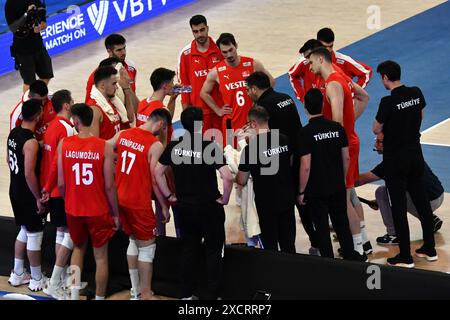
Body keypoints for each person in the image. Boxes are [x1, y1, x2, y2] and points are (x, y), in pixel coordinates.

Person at [155, 107, 233, 300]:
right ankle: (214, 295)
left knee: (189, 249)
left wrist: (169, 195)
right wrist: (224, 198)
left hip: (185, 207)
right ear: (201, 124)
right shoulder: (210, 146)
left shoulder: (174, 146)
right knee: (214, 251)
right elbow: (227, 177)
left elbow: (157, 173)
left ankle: (186, 294)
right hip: (209, 207)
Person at [245, 71, 319, 254]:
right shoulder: (285, 97)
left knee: (281, 207)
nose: (247, 93)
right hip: (300, 153)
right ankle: (316, 241)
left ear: (254, 89)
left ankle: (277, 250)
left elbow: (267, 136)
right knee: (304, 205)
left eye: (248, 90)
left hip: (282, 161)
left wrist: (250, 141)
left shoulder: (263, 106)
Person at [373, 60, 437, 267]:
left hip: (395, 160)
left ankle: (405, 256)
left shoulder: (387, 102)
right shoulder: (415, 92)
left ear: (384, 77)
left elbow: (376, 128)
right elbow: (420, 115)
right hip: (415, 154)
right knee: (422, 202)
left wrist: (389, 131)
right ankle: (430, 248)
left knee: (398, 207)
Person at [308, 47, 370, 255]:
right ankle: (361, 243)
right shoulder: (339, 76)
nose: (309, 66)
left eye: (310, 62)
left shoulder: (333, 83)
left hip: (342, 147)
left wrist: (330, 149)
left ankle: (358, 249)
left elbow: (337, 122)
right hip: (349, 141)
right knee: (348, 196)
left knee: (343, 200)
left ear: (319, 59)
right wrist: (351, 125)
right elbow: (364, 97)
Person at [57, 103, 120, 300]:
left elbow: (60, 183)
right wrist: (116, 213)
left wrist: (69, 199)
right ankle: (100, 298)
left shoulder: (64, 144)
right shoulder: (104, 146)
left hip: (74, 208)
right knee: (101, 257)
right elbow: (110, 186)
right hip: (98, 209)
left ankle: (74, 294)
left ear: (75, 121)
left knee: (77, 249)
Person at [108, 108, 172, 300]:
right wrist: (163, 205)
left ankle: (136, 290)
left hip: (120, 199)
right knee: (147, 248)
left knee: (133, 241)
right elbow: (155, 179)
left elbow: (103, 148)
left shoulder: (123, 134)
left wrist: (113, 168)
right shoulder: (155, 145)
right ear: (161, 124)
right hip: (138, 202)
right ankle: (145, 294)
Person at [297, 89, 366, 261]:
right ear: (322, 104)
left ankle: (328, 263)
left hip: (316, 189)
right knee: (341, 223)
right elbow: (346, 157)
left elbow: (305, 166)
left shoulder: (305, 133)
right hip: (336, 185)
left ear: (305, 107)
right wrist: (342, 178)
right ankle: (350, 257)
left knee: (321, 227)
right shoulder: (337, 128)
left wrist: (301, 190)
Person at [236, 106, 296, 253]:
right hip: (287, 198)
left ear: (253, 123)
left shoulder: (251, 149)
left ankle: (274, 273)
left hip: (267, 202)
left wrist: (234, 175)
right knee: (289, 243)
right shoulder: (284, 139)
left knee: (270, 245)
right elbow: (290, 164)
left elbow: (242, 180)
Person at [200, 32, 275, 146]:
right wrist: (218, 110)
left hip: (254, 120)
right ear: (220, 51)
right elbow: (204, 93)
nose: (229, 54)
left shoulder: (252, 64)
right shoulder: (216, 72)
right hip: (231, 123)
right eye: (224, 52)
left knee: (260, 153)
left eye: (231, 50)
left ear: (236, 46)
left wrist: (260, 102)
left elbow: (271, 82)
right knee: (234, 157)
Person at [356, 157, 444, 245]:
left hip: (429, 201)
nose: (375, 145)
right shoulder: (410, 153)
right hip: (438, 195)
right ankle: (430, 219)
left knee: (382, 193)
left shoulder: (391, 162)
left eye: (379, 142)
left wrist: (345, 183)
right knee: (392, 192)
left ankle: (394, 234)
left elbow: (361, 180)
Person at [7, 99, 47, 292]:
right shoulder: (30, 142)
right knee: (35, 235)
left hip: (14, 190)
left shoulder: (14, 133)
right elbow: (29, 173)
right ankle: (37, 278)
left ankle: (17, 273)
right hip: (27, 194)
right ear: (39, 115)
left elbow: (9, 159)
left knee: (24, 230)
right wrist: (38, 198)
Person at [40, 90, 76, 299]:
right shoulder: (66, 129)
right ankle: (55, 283)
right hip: (64, 190)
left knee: (62, 233)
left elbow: (49, 162)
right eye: (71, 101)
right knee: (71, 235)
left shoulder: (52, 127)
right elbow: (60, 163)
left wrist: (46, 187)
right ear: (66, 106)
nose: (73, 103)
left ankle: (62, 280)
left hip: (53, 190)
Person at [137, 67, 179, 237]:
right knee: (168, 204)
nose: (174, 85)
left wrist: (173, 100)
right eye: (172, 83)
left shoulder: (143, 104)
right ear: (165, 86)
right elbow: (163, 143)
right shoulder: (159, 110)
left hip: (143, 160)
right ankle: (169, 239)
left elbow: (166, 119)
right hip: (159, 163)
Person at [178, 14, 224, 139]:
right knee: (204, 152)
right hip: (199, 114)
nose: (199, 34)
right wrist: (186, 112)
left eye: (202, 30)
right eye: (195, 31)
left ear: (207, 28)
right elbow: (184, 86)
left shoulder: (220, 49)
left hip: (220, 110)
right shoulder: (185, 55)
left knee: (226, 147)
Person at [5, 0, 53, 92]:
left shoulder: (38, 0)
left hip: (38, 45)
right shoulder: (11, 3)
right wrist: (27, 14)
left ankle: (37, 95)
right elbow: (13, 28)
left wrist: (39, 27)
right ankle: (28, 103)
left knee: (47, 75)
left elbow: (44, 23)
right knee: (29, 82)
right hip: (22, 50)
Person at [85, 34, 140, 111]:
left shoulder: (131, 67)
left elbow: (132, 95)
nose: (123, 53)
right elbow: (89, 106)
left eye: (124, 48)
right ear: (109, 51)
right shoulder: (96, 76)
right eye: (119, 50)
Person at [87, 66, 131, 140]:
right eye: (114, 84)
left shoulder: (113, 101)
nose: (117, 87)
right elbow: (94, 145)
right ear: (102, 85)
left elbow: (130, 119)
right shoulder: (94, 109)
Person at [288, 39, 324, 104]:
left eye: (308, 57)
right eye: (305, 57)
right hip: (312, 107)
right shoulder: (304, 63)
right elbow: (292, 74)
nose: (307, 61)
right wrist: (302, 97)